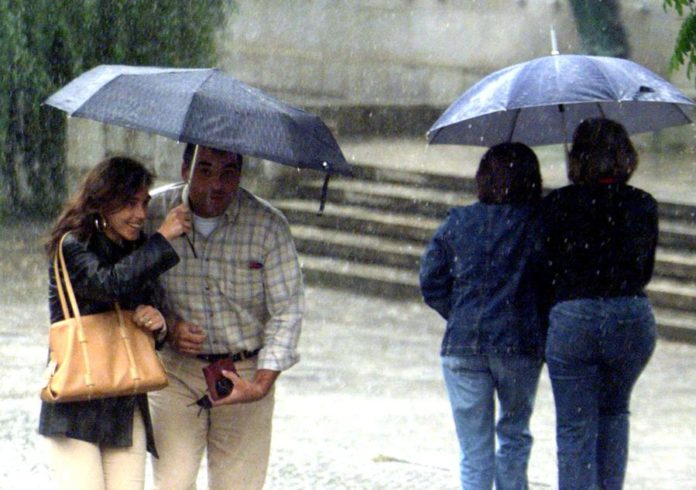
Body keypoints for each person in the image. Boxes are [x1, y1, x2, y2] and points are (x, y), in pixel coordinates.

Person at [145, 144, 304, 490]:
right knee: (172, 482)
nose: (216, 184)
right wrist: (168, 328)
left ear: (241, 175)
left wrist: (259, 385)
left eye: (228, 173)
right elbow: (130, 285)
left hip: (244, 369)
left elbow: (287, 310)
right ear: (185, 170)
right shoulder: (153, 212)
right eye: (205, 170)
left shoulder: (267, 225)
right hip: (176, 370)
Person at [39, 156, 191, 490]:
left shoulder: (136, 248)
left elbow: (154, 310)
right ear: (102, 201)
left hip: (124, 396)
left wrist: (158, 323)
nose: (140, 214)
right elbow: (109, 284)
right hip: (75, 400)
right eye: (129, 204)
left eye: (144, 203)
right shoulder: (73, 244)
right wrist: (163, 238)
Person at [419, 142, 546, 490]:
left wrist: (461, 313)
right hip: (518, 343)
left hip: (463, 344)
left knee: (474, 452)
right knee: (515, 434)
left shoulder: (458, 222)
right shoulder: (536, 224)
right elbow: (548, 279)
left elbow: (431, 281)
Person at [540, 118, 658, 490]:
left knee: (575, 425)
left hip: (574, 317)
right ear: (626, 155)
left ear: (577, 157)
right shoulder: (643, 204)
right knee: (614, 413)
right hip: (630, 316)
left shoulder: (557, 204)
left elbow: (546, 270)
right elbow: (644, 271)